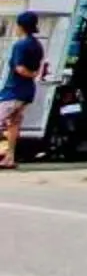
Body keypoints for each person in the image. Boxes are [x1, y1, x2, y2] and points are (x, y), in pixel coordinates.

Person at [0, 12, 42, 169]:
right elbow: (37, 69)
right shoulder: (37, 45)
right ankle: (9, 158)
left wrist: (28, 73)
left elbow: (19, 68)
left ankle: (8, 157)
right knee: (13, 124)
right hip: (27, 92)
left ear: (20, 26)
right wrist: (33, 75)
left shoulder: (20, 45)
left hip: (13, 91)